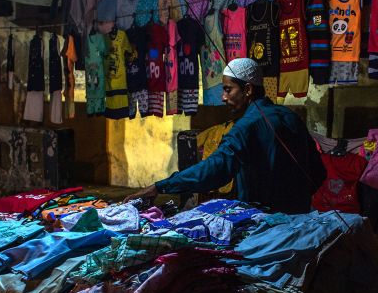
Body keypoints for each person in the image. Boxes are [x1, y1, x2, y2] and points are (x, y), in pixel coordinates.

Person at [129, 58, 325, 213]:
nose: (223, 97)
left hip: (265, 222)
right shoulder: (290, 117)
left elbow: (216, 169)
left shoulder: (245, 127)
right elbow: (318, 171)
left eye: (228, 89)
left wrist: (160, 186)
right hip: (299, 219)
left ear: (247, 89)